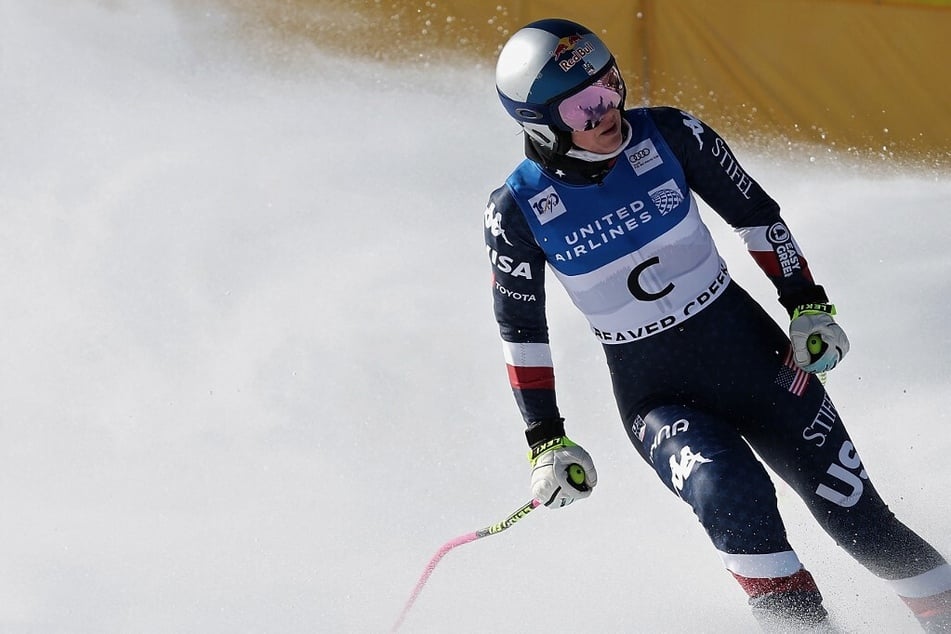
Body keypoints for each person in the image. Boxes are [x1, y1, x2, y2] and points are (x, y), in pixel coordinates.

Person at [484, 17, 950, 631]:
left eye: (612, 84)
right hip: (658, 396)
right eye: (584, 104)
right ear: (540, 125)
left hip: (754, 358)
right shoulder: (516, 209)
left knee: (860, 520)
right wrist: (546, 439)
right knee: (732, 496)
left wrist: (808, 304)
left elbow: (757, 217)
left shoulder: (672, 133)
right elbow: (522, 332)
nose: (609, 109)